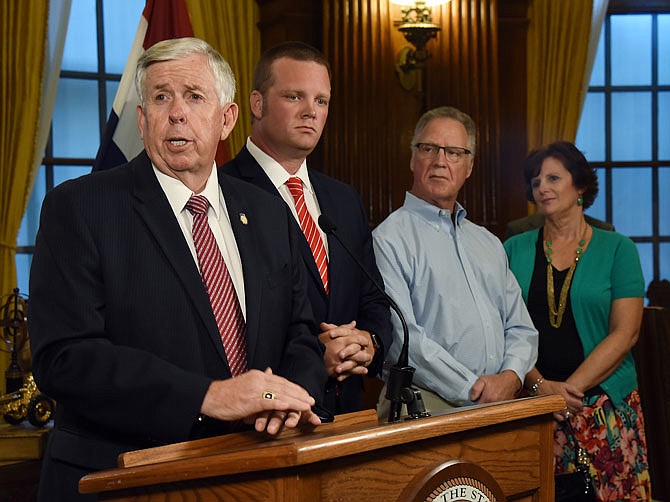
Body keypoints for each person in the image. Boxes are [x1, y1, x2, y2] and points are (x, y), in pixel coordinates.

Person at [28, 38, 327, 501]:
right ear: (143, 120)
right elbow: (65, 358)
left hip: (256, 471)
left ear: (226, 119)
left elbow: (301, 333)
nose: (177, 113)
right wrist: (208, 396)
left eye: (193, 95)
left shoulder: (269, 213)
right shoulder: (80, 207)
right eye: (161, 98)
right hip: (126, 476)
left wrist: (289, 401)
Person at [223, 41, 392, 415]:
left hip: (349, 413)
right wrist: (316, 358)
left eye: (321, 101)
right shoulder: (221, 195)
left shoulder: (343, 199)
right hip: (268, 418)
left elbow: (374, 299)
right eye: (294, 96)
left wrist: (368, 342)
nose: (310, 112)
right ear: (257, 103)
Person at [504, 141, 651, 500]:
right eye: (536, 181)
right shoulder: (513, 248)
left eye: (554, 177)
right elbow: (502, 327)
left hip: (604, 409)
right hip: (534, 406)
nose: (543, 187)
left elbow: (626, 333)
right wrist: (541, 388)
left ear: (580, 186)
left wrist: (567, 390)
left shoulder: (618, 248)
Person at [372, 106, 538, 416]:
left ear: (470, 166)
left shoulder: (488, 243)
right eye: (428, 148)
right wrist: (473, 388)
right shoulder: (388, 239)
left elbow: (520, 328)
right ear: (412, 158)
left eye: (454, 153)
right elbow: (401, 339)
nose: (440, 161)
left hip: (501, 404)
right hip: (426, 405)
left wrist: (511, 376)